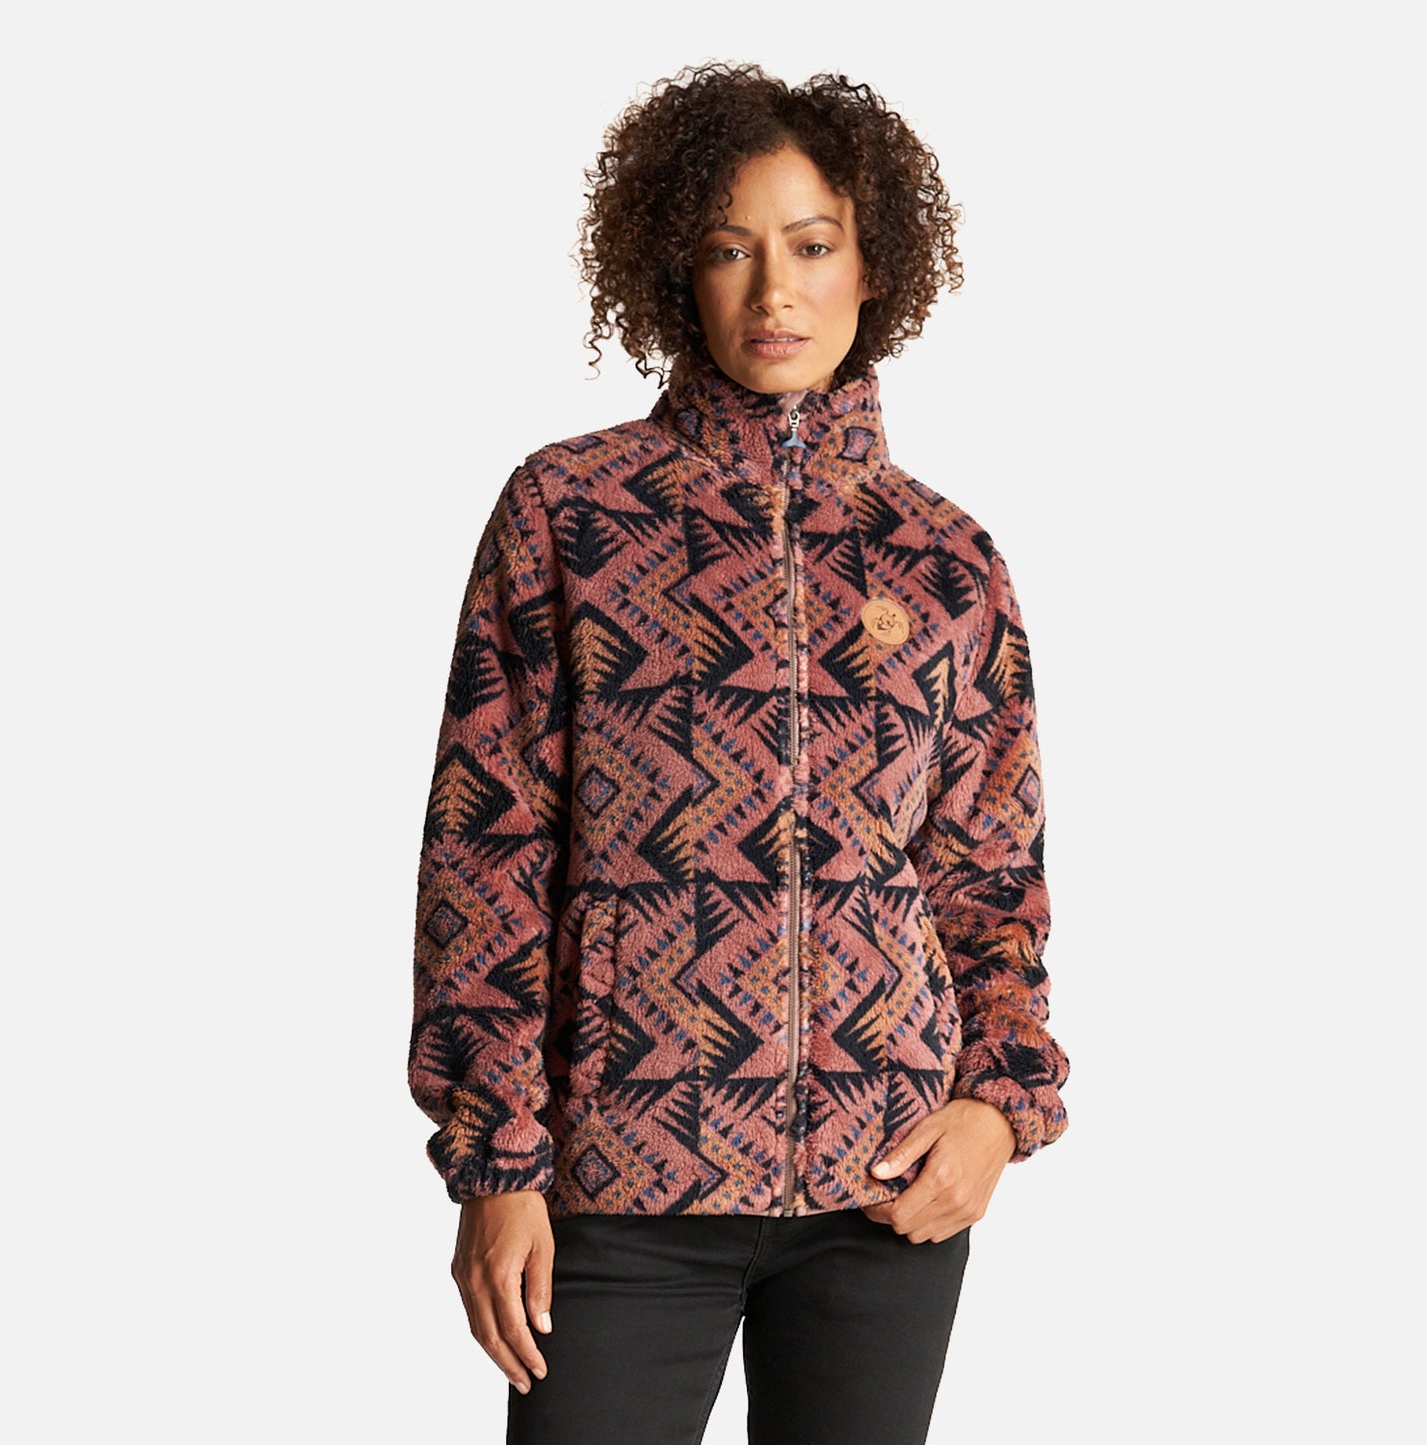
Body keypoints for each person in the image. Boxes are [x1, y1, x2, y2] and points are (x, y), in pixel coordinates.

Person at [409, 62, 1070, 1445]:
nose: (774, 290)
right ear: (676, 271)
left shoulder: (947, 558)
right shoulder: (569, 514)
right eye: (728, 249)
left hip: (885, 1186)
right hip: (617, 1184)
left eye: (811, 246)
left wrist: (996, 1110)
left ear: (872, 265)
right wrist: (498, 1160)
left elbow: (989, 880)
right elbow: (487, 850)